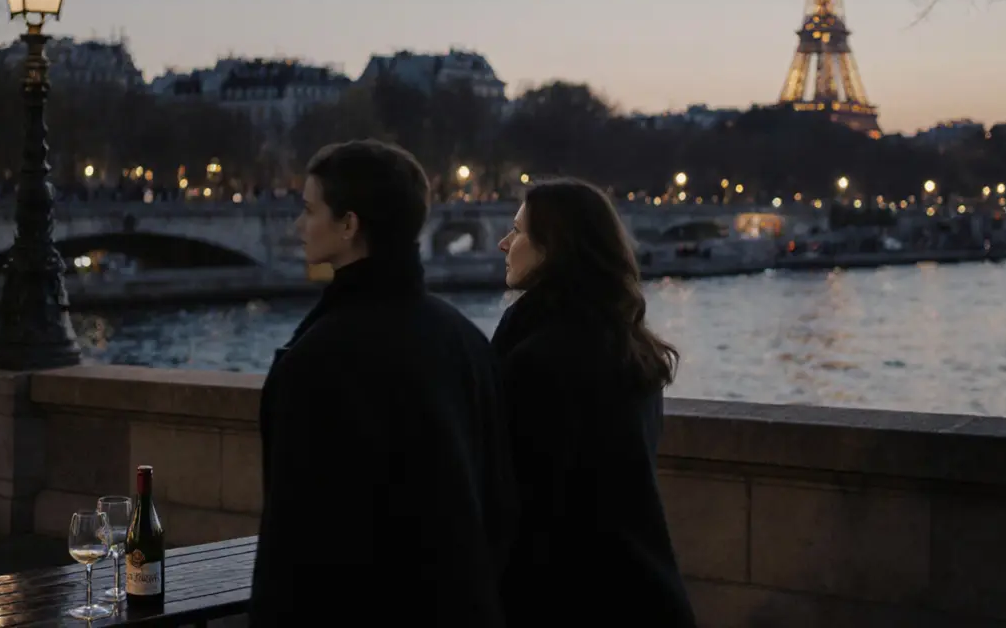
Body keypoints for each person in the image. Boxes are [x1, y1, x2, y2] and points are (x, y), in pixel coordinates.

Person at [249, 139, 514, 627]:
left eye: (309, 210)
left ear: (349, 225)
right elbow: (496, 509)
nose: (298, 226)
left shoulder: (317, 359)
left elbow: (298, 544)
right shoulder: (467, 341)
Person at [493, 177, 698, 627]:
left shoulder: (539, 358)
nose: (504, 243)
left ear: (553, 248)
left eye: (518, 231)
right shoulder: (630, 348)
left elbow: (522, 505)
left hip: (571, 600)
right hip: (642, 592)